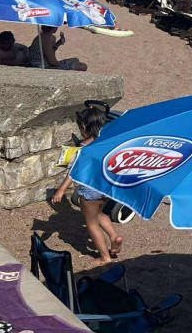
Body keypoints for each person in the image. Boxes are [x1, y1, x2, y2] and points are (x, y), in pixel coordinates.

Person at [51, 106, 122, 266]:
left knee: (91, 223)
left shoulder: (83, 149)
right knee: (99, 214)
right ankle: (113, 236)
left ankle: (105, 257)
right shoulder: (107, 142)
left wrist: (61, 190)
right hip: (105, 188)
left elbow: (74, 171)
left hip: (89, 191)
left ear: (83, 127)